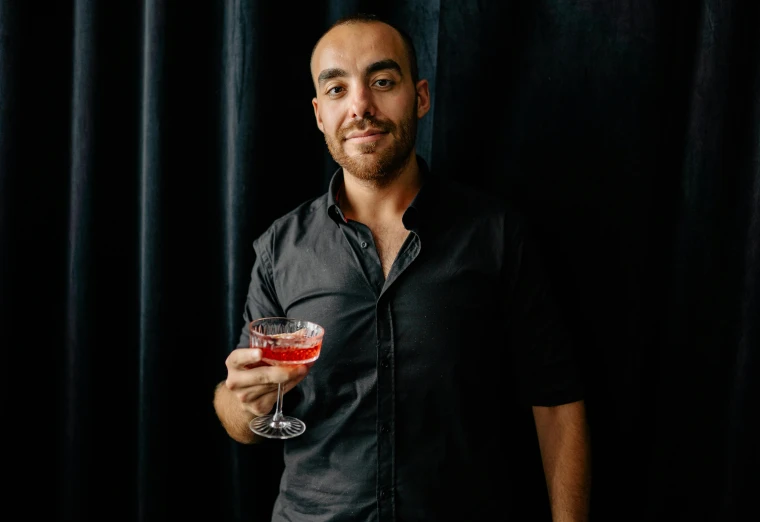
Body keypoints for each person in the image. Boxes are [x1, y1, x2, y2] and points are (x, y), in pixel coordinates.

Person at [213, 13, 591, 522]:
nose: (360, 106)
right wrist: (244, 403)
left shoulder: (497, 234)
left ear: (421, 97)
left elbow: (557, 405)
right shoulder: (280, 248)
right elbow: (239, 417)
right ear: (319, 114)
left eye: (383, 82)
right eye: (337, 89)